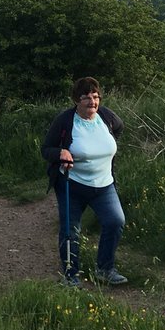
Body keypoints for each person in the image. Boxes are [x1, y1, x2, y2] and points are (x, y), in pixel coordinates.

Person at [40, 76, 127, 288]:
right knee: (71, 230)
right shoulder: (65, 120)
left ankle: (105, 269)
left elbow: (119, 128)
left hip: (104, 185)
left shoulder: (106, 117)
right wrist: (61, 152)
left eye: (95, 97)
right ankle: (70, 275)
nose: (92, 102)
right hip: (72, 184)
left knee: (115, 221)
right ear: (76, 100)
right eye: (86, 97)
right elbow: (46, 149)